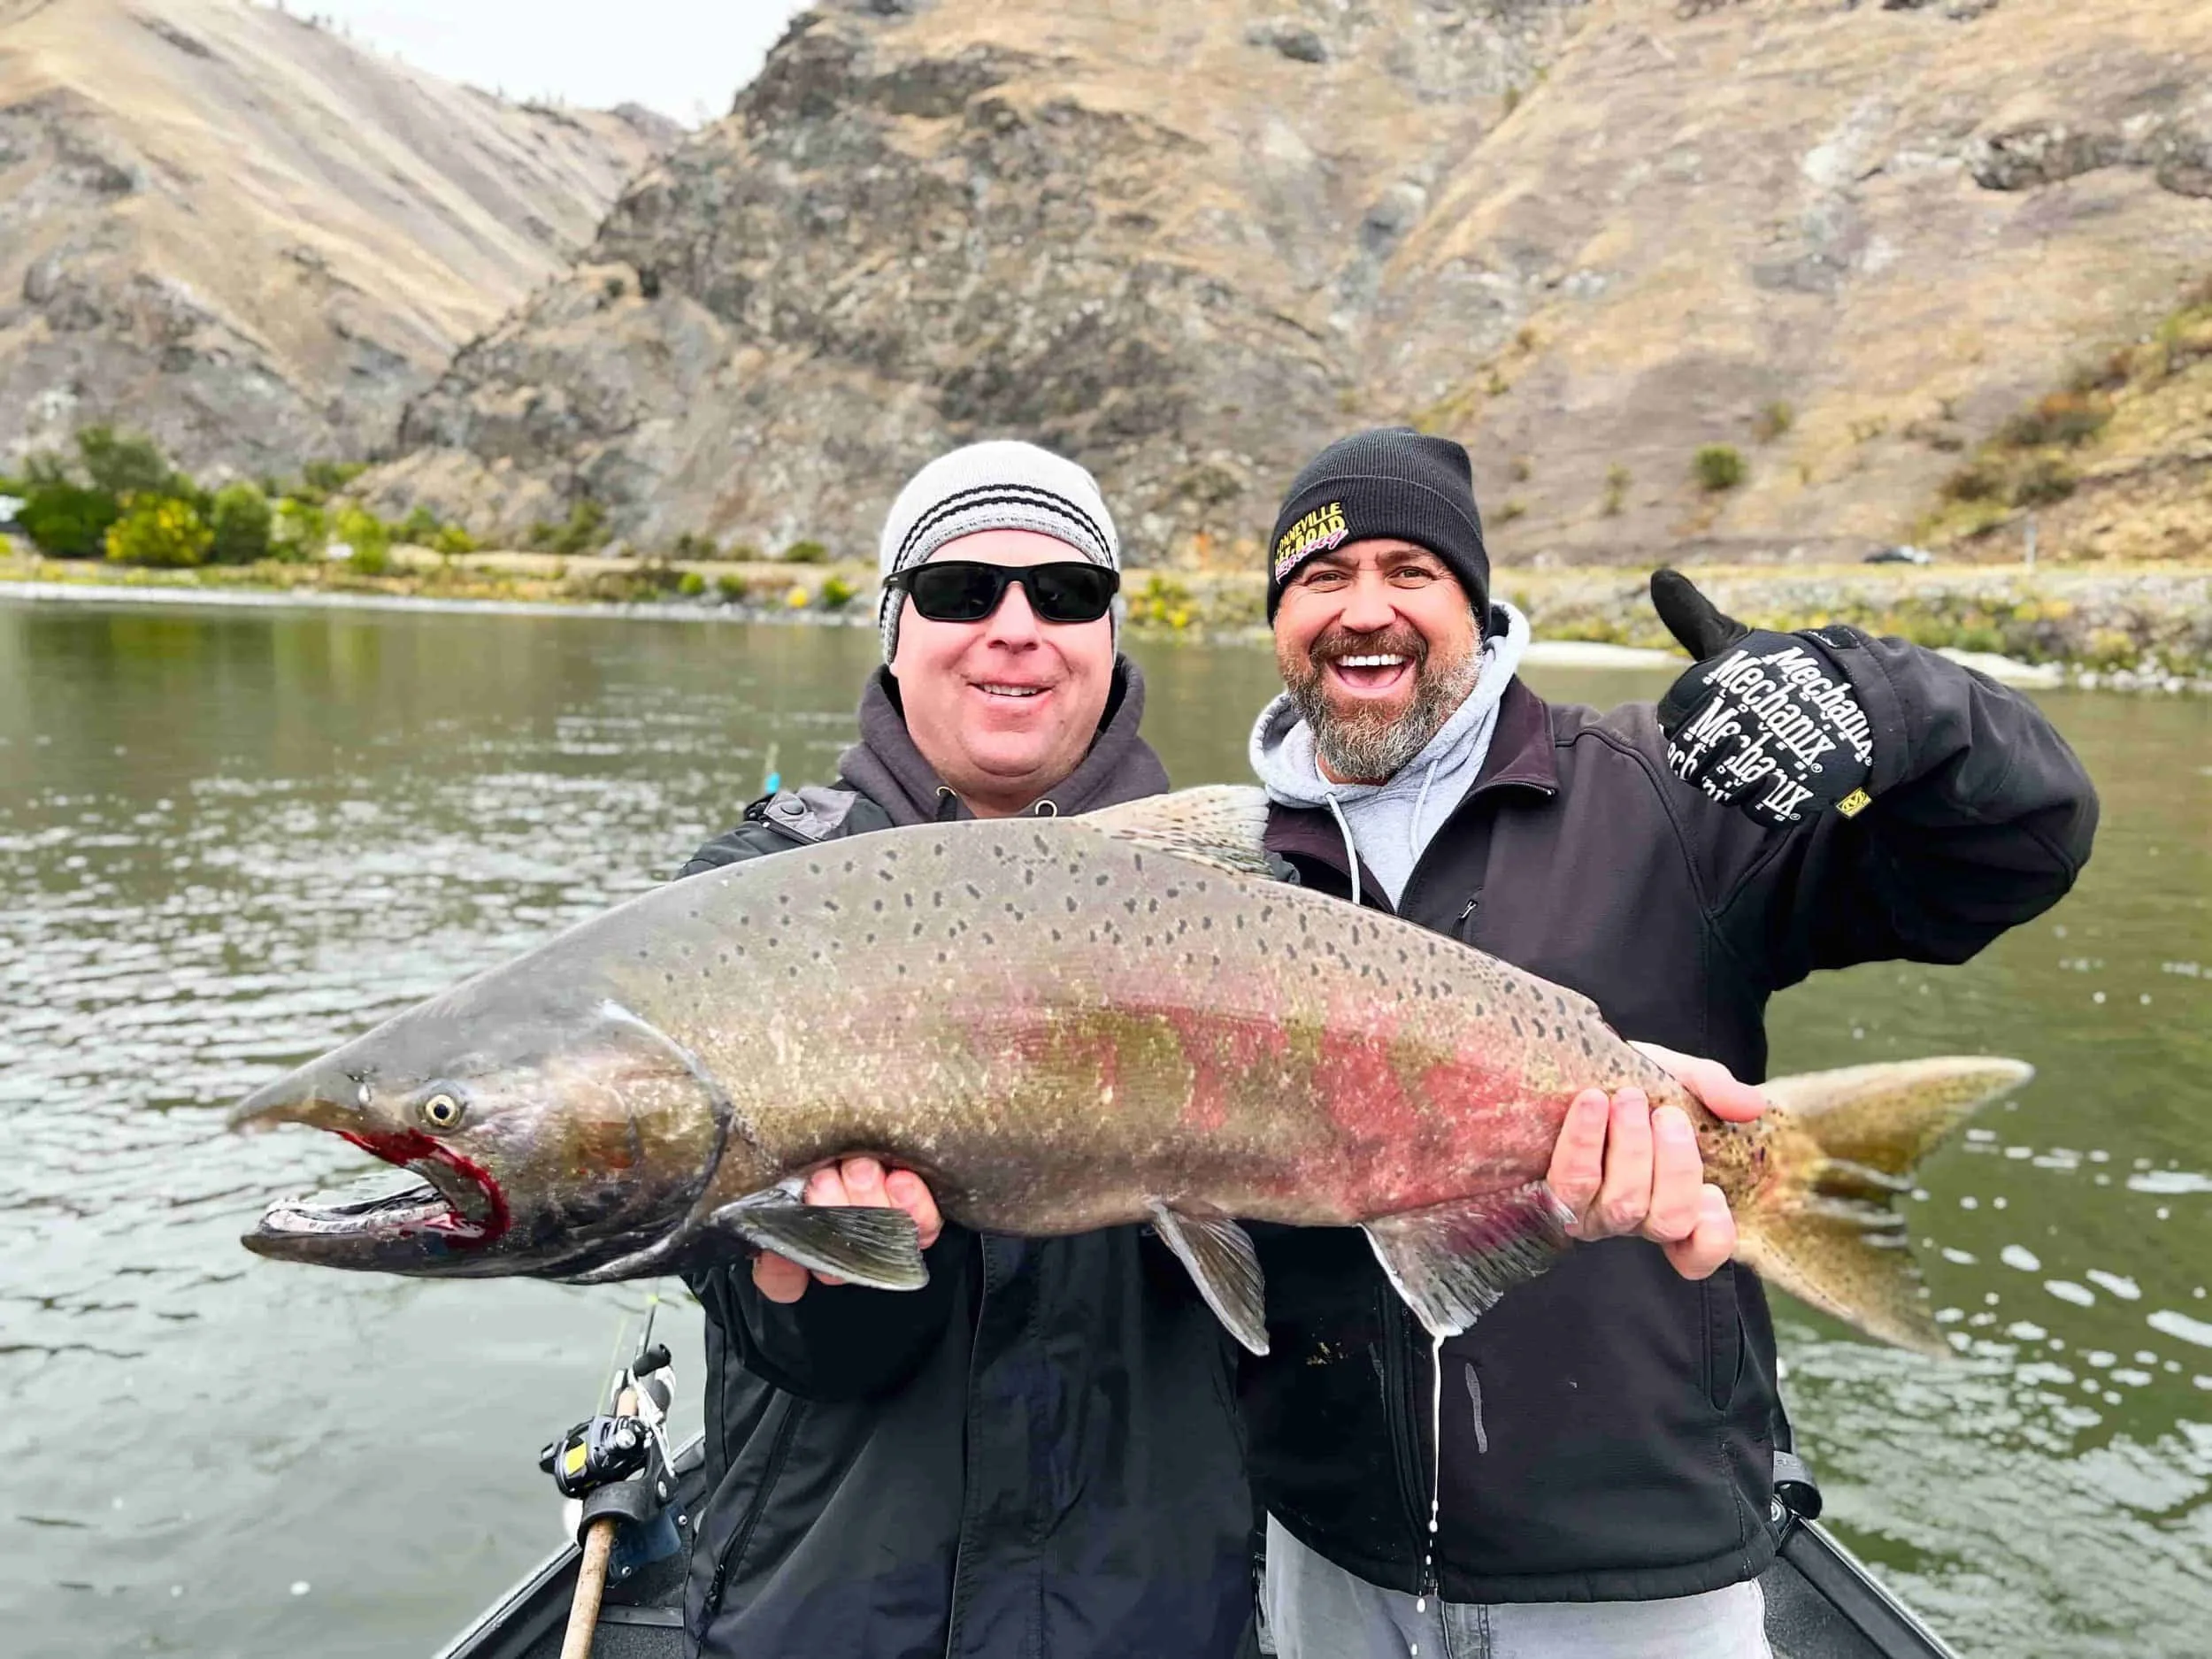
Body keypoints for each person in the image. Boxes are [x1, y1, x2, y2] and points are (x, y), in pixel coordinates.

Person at [1242, 427, 2099, 1657]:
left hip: (1638, 1566)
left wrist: (1882, 698)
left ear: (1476, 604)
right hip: (1330, 1551)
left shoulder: (1665, 790)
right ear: (1280, 615)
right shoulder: (1230, 875)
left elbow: (2018, 852)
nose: (1363, 609)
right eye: (1322, 576)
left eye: (1409, 570)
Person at [672, 441, 1257, 1657]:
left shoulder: (1250, 918)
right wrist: (810, 1268)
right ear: (894, 627)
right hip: (828, 1614)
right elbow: (769, 1326)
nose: (1014, 626)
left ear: (1109, 636)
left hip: (1147, 1617)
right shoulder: (748, 897)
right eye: (958, 591)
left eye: (1065, 592)